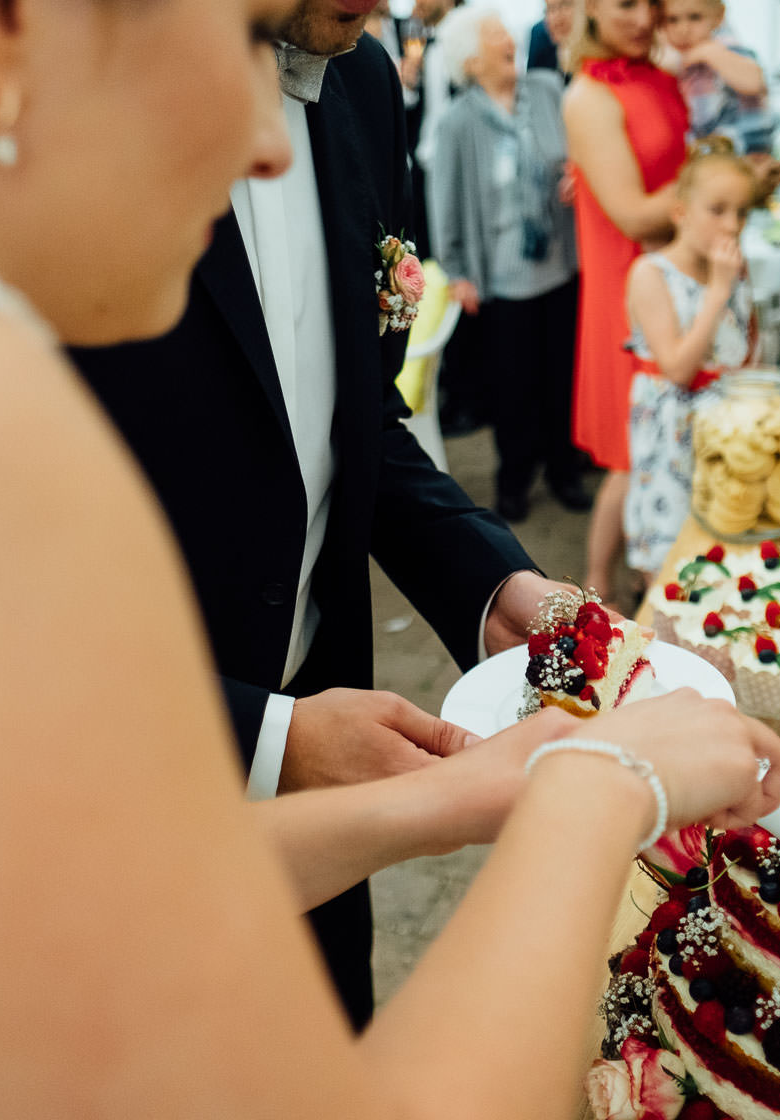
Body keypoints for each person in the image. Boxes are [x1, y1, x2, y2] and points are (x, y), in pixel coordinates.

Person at [0, 0, 780, 1115]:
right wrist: (604, 784)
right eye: (238, 31)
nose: (260, 133)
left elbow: (30, 913)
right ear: (3, 15)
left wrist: (462, 794)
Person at [69, 0, 591, 1030]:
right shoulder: (68, 118)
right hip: (114, 762)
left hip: (331, 713)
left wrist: (489, 583)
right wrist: (266, 737)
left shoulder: (356, 81)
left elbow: (354, 412)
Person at [431, 4, 587, 523]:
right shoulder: (457, 123)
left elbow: (577, 151)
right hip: (501, 277)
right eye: (496, 35)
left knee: (563, 377)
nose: (510, 41)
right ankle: (514, 479)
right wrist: (457, 271)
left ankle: (565, 469)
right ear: (471, 61)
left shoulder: (545, 88)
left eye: (506, 31)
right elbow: (445, 203)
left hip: (562, 265)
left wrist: (577, 175)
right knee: (514, 388)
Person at [561, 0, 689, 608]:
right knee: (630, 450)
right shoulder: (588, 96)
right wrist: (720, 178)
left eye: (653, 5)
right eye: (626, 5)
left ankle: (646, 580)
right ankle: (598, 592)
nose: (643, 18)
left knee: (664, 439)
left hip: (675, 273)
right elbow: (633, 212)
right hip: (629, 285)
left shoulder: (659, 77)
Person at [623, 138, 758, 576]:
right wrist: (718, 292)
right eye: (717, 210)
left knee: (722, 552)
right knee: (671, 561)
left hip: (723, 437)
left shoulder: (733, 270)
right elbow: (679, 369)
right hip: (671, 441)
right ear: (680, 212)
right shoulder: (651, 274)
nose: (732, 225)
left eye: (742, 212)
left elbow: (742, 355)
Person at [659, 0, 776, 156]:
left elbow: (753, 82)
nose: (683, 29)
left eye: (695, 17)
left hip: (747, 152)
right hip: (707, 154)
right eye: (672, 20)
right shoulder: (671, 58)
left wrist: (708, 53)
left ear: (719, 17)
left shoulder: (726, 47)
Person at [526, 0, 574, 73]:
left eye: (565, 5)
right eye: (550, 8)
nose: (555, 17)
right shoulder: (539, 36)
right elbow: (532, 81)